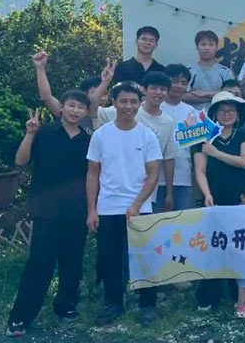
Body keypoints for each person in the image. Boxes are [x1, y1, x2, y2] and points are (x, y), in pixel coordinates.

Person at [5, 90, 92, 337]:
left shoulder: (88, 140)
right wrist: (29, 134)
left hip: (77, 210)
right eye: (71, 105)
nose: (75, 111)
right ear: (61, 107)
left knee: (72, 262)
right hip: (47, 210)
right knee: (39, 263)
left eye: (81, 107)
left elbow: (93, 176)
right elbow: (21, 161)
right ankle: (20, 317)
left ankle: (66, 306)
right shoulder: (43, 133)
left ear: (86, 112)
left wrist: (91, 209)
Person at [86, 82, 163, 326]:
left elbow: (153, 174)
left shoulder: (148, 135)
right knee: (109, 258)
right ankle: (113, 304)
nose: (128, 106)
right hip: (108, 207)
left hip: (141, 209)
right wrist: (92, 209)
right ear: (114, 103)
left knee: (145, 258)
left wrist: (137, 204)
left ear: (139, 103)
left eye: (133, 102)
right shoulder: (101, 135)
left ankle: (147, 305)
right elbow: (92, 173)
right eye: (123, 101)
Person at [192, 92, 245, 317]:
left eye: (231, 110)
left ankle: (240, 298)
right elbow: (200, 170)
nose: (227, 114)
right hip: (214, 201)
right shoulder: (203, 136)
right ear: (214, 113)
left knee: (241, 248)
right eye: (222, 110)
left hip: (239, 200)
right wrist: (206, 194)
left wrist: (215, 152)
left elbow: (244, 162)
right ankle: (208, 297)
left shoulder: (241, 135)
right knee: (213, 248)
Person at [99, 72, 179, 213]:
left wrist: (169, 193)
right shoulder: (127, 108)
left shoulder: (169, 122)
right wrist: (105, 82)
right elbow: (92, 109)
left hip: (147, 194)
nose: (158, 92)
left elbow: (168, 159)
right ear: (144, 89)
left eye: (163, 89)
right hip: (115, 192)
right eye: (153, 88)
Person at [32, 51, 108, 131]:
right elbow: (47, 97)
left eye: (104, 93)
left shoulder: (110, 114)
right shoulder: (68, 112)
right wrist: (40, 68)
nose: (101, 97)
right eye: (97, 92)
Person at [159, 64, 198, 211]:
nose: (179, 86)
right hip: (155, 180)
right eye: (174, 81)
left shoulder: (192, 113)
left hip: (183, 179)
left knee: (183, 222)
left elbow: (197, 149)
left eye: (183, 82)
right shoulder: (153, 108)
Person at [184, 30, 235, 110]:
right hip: (194, 115)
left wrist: (204, 94)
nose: (207, 48)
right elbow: (183, 96)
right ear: (197, 47)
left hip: (220, 115)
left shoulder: (225, 72)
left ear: (216, 47)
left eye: (211, 45)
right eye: (203, 44)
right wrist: (217, 95)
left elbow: (231, 95)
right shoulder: (189, 71)